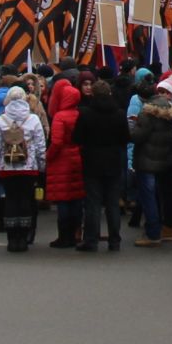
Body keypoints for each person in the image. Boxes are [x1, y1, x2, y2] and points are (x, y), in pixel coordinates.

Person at [71, 80, 128, 252]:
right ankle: (114, 240)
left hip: (92, 160)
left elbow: (77, 138)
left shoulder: (86, 114)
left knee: (93, 203)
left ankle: (91, 239)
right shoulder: (118, 113)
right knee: (112, 202)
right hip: (113, 160)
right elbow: (125, 138)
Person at [0, 85, 47, 253]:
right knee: (26, 200)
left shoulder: (1, 120)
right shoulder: (33, 119)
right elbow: (40, 145)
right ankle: (23, 237)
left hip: (7, 167)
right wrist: (41, 165)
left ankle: (11, 239)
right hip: (28, 167)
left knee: (11, 200)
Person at [129, 82, 172, 247]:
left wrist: (132, 126)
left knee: (148, 196)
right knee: (163, 194)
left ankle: (152, 232)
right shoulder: (170, 110)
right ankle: (168, 228)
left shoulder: (147, 113)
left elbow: (138, 136)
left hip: (147, 158)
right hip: (164, 156)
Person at [43, 78, 84, 249]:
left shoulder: (59, 117)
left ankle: (64, 236)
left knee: (63, 200)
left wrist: (48, 156)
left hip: (62, 161)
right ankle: (75, 233)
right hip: (78, 159)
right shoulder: (79, 113)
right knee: (75, 199)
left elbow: (57, 142)